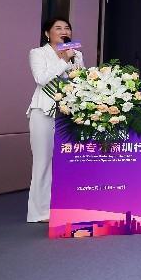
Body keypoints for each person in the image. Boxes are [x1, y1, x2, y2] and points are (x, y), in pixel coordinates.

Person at [27, 17, 85, 223]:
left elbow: (80, 80)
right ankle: (40, 213)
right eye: (58, 28)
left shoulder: (76, 54)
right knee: (43, 162)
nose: (64, 31)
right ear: (47, 33)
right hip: (43, 111)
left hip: (66, 112)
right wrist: (63, 61)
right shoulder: (38, 53)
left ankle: (62, 206)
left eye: (67, 28)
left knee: (65, 161)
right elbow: (41, 79)